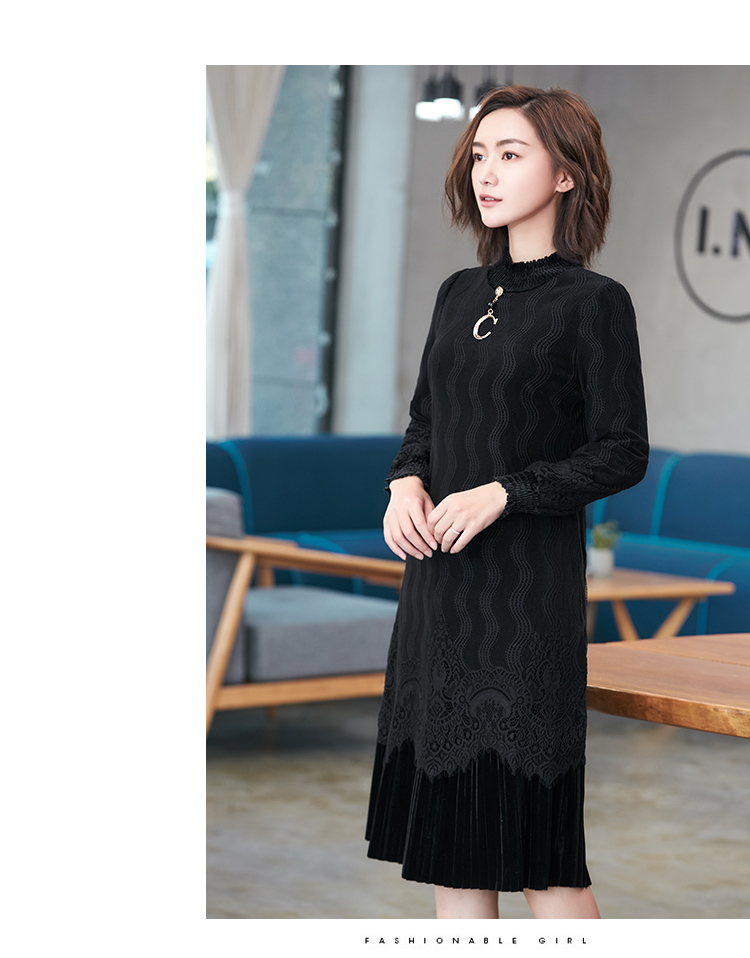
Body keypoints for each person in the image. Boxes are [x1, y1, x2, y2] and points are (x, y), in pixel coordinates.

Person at [365, 84, 649, 920]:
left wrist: (504, 492)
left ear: (566, 173)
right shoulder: (458, 292)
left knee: (542, 860)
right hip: (438, 597)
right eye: (479, 155)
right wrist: (404, 483)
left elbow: (622, 450)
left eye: (511, 154)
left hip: (526, 605)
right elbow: (426, 420)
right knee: (454, 856)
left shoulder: (596, 304)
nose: (486, 172)